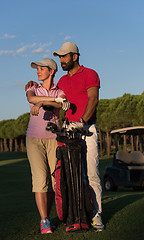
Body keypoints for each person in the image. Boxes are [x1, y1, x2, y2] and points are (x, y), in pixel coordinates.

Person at [25, 43, 104, 231]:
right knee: (68, 176)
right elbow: (55, 99)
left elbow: (93, 98)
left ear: (74, 57)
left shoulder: (90, 74)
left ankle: (96, 215)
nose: (61, 60)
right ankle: (74, 215)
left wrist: (83, 121)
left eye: (64, 57)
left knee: (91, 173)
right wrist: (35, 87)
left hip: (86, 129)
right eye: (59, 58)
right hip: (67, 131)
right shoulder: (61, 81)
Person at [26, 58, 70, 234]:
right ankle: (44, 221)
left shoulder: (60, 91)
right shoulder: (32, 87)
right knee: (40, 180)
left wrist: (41, 102)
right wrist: (45, 100)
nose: (38, 71)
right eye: (37, 69)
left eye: (41, 68)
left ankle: (49, 217)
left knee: (53, 182)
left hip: (54, 139)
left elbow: (62, 103)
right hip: (34, 140)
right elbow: (31, 97)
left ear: (52, 71)